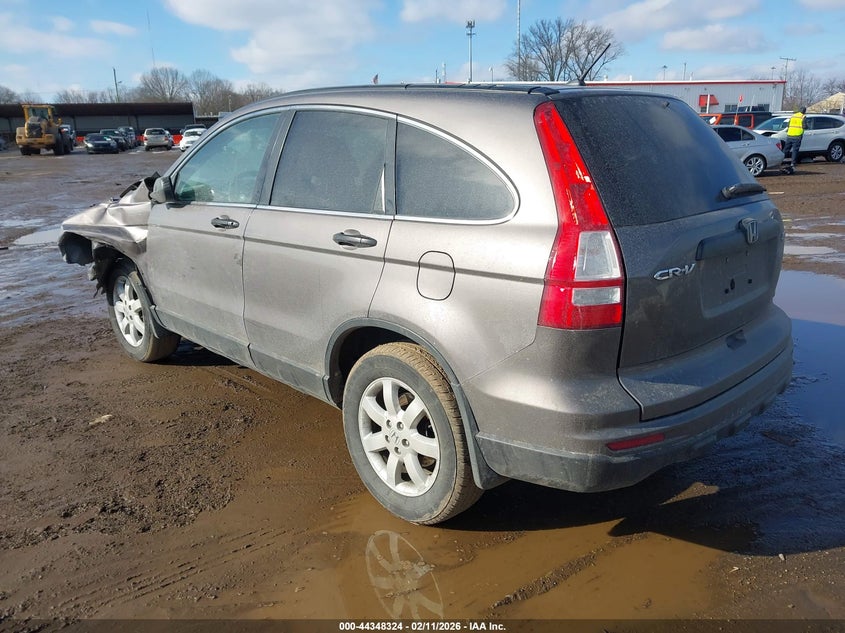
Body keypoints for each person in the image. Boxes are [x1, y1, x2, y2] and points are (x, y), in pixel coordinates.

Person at [781, 107, 806, 174]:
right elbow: (804, 126)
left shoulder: (793, 116)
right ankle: (793, 163)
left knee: (786, 149)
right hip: (797, 136)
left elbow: (788, 125)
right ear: (804, 111)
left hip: (789, 135)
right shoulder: (803, 117)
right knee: (795, 150)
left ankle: (780, 161)